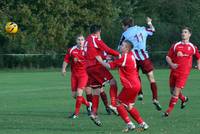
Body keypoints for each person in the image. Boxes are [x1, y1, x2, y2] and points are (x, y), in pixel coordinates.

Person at [96, 40, 149, 132]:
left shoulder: (125, 57)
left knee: (118, 103)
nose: (120, 46)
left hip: (130, 85)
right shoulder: (130, 54)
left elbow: (109, 66)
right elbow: (119, 59)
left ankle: (129, 124)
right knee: (129, 107)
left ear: (127, 48)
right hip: (136, 85)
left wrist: (100, 60)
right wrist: (113, 57)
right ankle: (143, 124)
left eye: (123, 45)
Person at [118, 17, 162, 111]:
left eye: (123, 25)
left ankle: (140, 93)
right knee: (151, 78)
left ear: (126, 25)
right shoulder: (142, 29)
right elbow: (153, 30)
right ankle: (155, 98)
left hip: (133, 58)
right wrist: (149, 22)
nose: (122, 27)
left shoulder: (125, 34)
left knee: (135, 77)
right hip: (144, 57)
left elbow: (120, 47)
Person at [84, 24, 120, 126]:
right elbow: (107, 49)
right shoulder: (95, 40)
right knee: (113, 82)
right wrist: (119, 55)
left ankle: (94, 113)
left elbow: (96, 51)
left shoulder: (87, 40)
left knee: (96, 91)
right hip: (96, 67)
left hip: (88, 69)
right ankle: (113, 104)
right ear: (98, 32)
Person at [164, 27, 200, 117]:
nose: (183, 33)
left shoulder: (192, 47)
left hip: (184, 73)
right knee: (172, 91)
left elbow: (198, 57)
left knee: (176, 92)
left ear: (189, 34)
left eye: (185, 32)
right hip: (174, 71)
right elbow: (167, 57)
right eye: (182, 32)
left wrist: (199, 65)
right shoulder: (176, 45)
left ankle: (168, 111)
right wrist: (172, 64)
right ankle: (183, 99)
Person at [61, 34, 92, 119]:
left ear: (84, 41)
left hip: (84, 75)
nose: (80, 41)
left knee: (79, 93)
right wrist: (63, 69)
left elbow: (92, 60)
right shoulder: (71, 50)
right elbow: (66, 60)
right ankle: (88, 104)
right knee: (75, 95)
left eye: (82, 40)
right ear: (76, 41)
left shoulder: (87, 50)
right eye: (79, 40)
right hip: (74, 75)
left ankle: (76, 114)